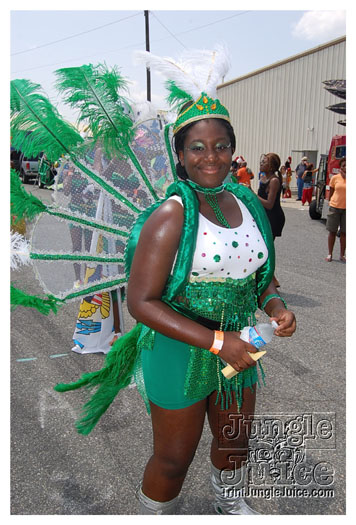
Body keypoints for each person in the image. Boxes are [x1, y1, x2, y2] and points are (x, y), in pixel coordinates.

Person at [52, 47, 296, 516]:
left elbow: (263, 278)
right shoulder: (171, 215)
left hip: (242, 341)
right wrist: (215, 341)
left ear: (233, 149)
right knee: (172, 456)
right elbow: (142, 303)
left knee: (235, 443)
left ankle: (230, 502)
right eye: (198, 148)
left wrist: (276, 308)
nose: (212, 157)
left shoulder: (247, 205)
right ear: (181, 155)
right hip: (181, 344)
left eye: (221, 146)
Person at [257, 153, 285, 288]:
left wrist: (252, 194)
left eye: (265, 162)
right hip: (264, 217)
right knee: (261, 247)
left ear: (272, 166)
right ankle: (270, 277)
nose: (261, 163)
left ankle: (271, 279)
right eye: (262, 161)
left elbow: (269, 204)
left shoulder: (274, 181)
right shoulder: (263, 178)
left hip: (273, 218)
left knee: (265, 248)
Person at [325, 157, 346, 262]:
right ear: (340, 167)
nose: (346, 167)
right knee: (332, 231)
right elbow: (332, 192)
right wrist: (330, 202)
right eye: (344, 165)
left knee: (344, 233)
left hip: (347, 209)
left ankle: (342, 254)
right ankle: (330, 253)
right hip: (335, 207)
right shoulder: (335, 178)